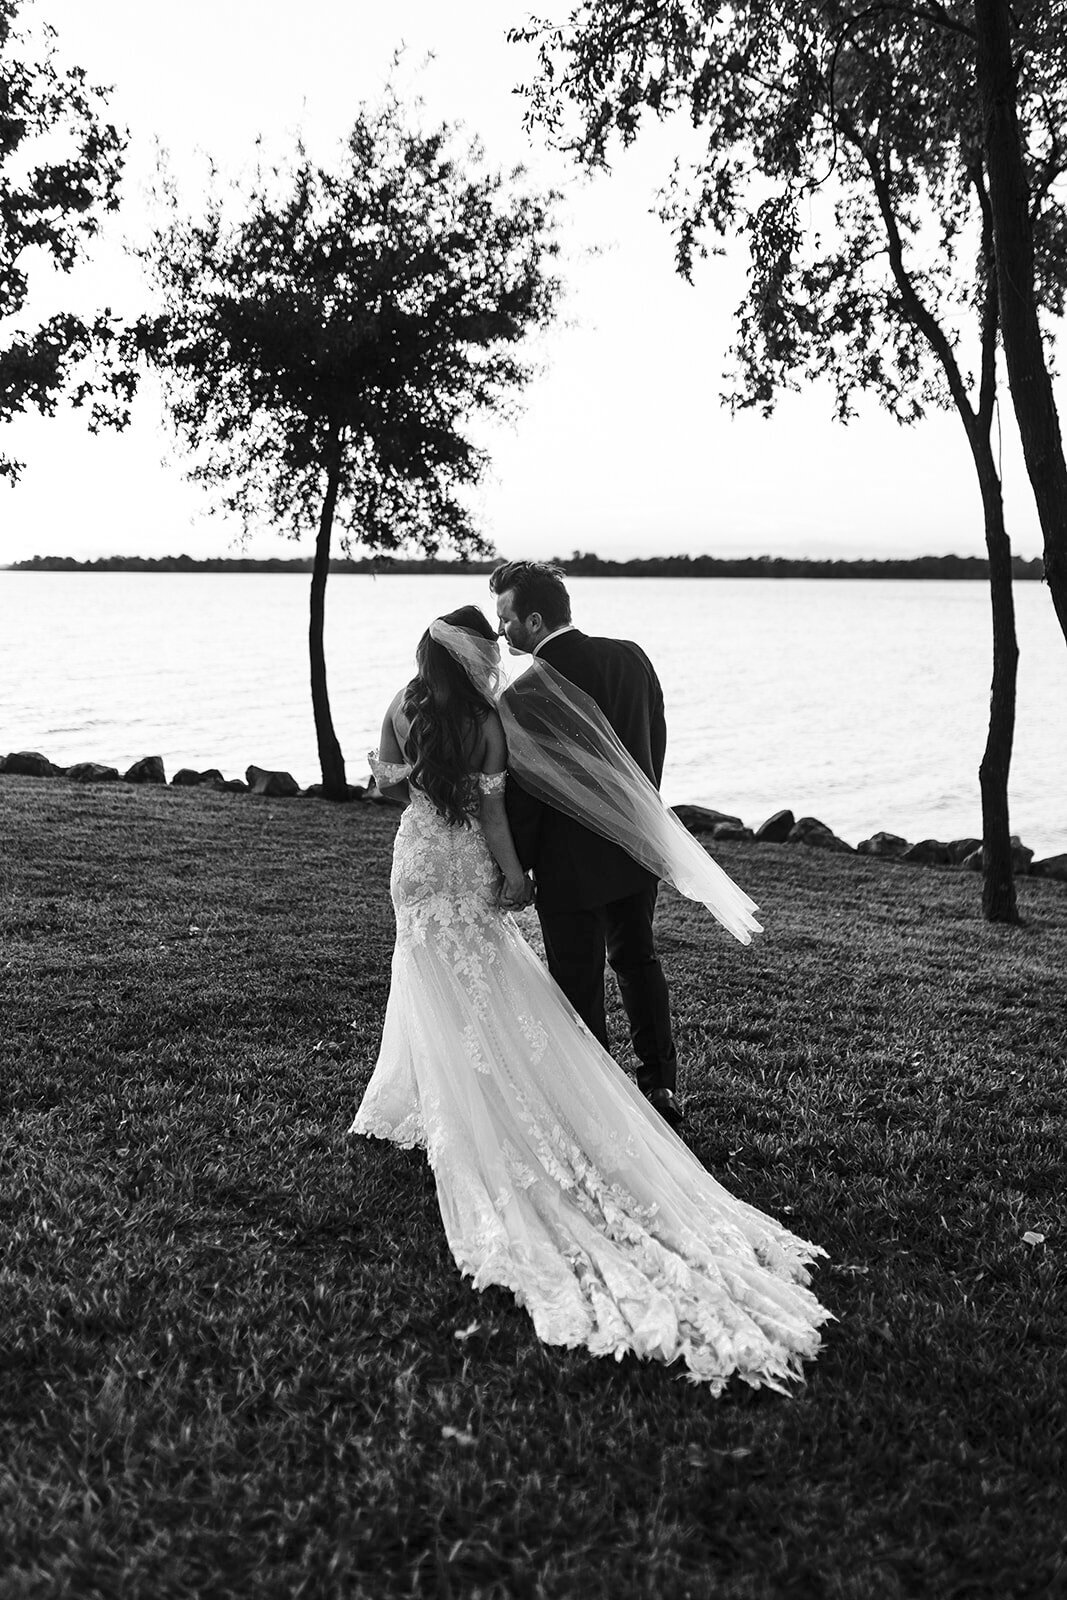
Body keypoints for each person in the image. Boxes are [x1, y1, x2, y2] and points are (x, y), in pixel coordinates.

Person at [350, 604, 829, 1391]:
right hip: (467, 861)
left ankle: (423, 1096)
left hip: (413, 862)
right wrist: (511, 874)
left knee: (423, 975)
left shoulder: (403, 704)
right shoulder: (486, 720)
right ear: (474, 655)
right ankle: (570, 1083)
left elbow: (385, 782)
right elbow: (496, 810)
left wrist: (416, 795)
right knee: (494, 979)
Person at [490, 560, 683, 1130]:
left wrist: (518, 866)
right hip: (634, 845)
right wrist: (640, 814)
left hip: (568, 864)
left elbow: (524, 791)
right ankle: (662, 1084)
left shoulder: (524, 694)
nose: (502, 634)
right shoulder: (631, 657)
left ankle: (597, 1101)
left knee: (578, 982)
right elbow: (655, 742)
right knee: (638, 960)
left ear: (535, 618)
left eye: (507, 620)